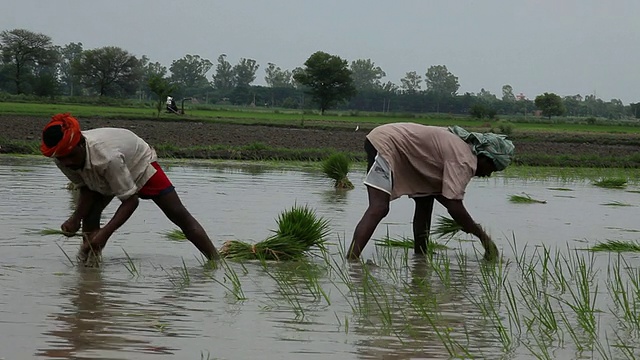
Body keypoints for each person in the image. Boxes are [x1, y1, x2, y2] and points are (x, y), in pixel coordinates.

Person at [40, 113, 220, 265]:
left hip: (137, 161)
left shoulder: (107, 157)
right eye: (63, 158)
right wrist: (75, 218)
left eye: (71, 156)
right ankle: (89, 268)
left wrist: (105, 233)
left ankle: (216, 261)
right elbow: (87, 189)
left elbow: (131, 201)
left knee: (177, 213)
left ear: (80, 144)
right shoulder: (62, 158)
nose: (68, 162)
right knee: (91, 213)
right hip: (105, 168)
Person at [347, 122, 515, 261]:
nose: (488, 174)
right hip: (387, 142)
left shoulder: (462, 151)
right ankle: (352, 260)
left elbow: (447, 199)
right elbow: (454, 206)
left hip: (406, 150)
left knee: (425, 204)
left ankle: (420, 255)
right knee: (379, 207)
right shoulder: (464, 159)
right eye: (492, 168)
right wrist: (484, 239)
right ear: (485, 157)